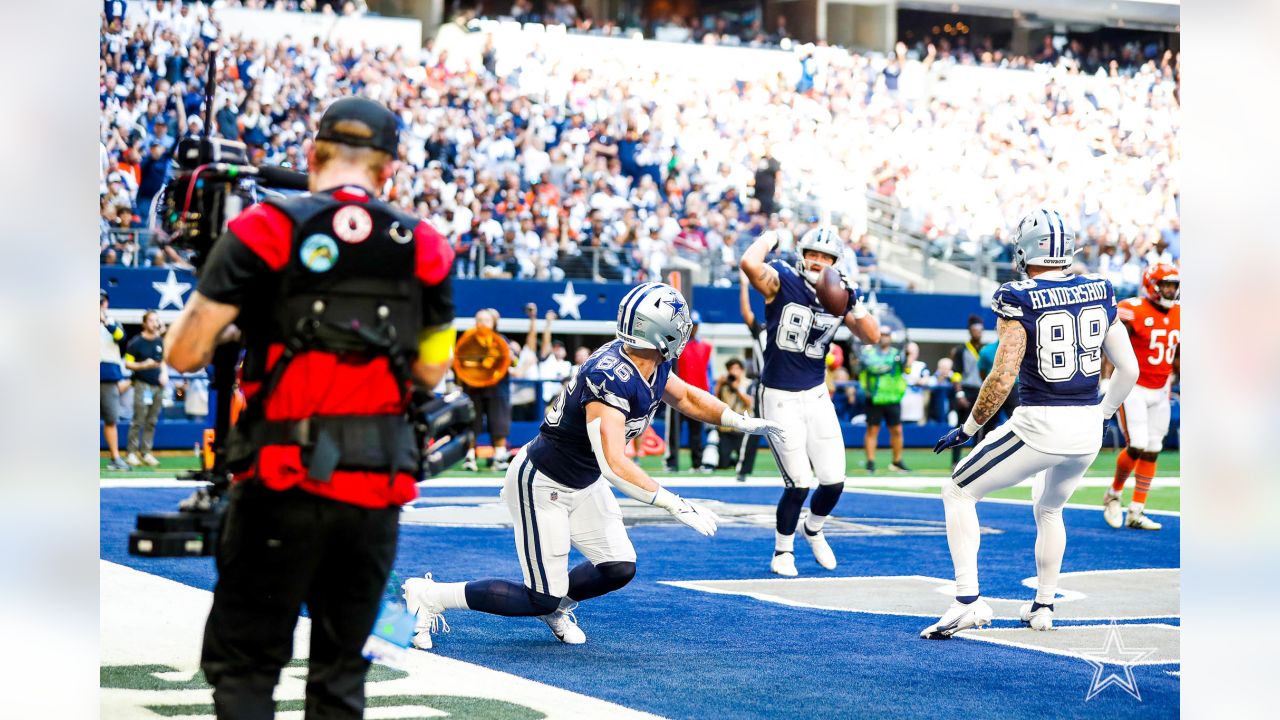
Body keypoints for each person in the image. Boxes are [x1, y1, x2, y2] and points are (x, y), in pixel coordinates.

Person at [164, 97, 456, 719]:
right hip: (376, 489)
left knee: (246, 671)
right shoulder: (426, 247)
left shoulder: (262, 228)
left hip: (276, 481)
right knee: (340, 679)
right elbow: (433, 368)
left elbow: (184, 353)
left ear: (312, 155)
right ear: (388, 169)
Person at [402, 282, 784, 647]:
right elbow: (614, 462)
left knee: (618, 566)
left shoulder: (650, 361)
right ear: (660, 333)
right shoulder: (610, 375)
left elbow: (685, 397)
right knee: (540, 596)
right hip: (543, 484)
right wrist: (673, 502)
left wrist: (738, 421)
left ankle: (559, 605)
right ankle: (430, 595)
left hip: (583, 481)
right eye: (679, 323)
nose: (684, 330)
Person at [922, 209, 1139, 639]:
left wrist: (968, 428)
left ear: (1025, 249)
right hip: (1087, 427)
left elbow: (1002, 376)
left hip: (1041, 424)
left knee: (958, 490)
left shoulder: (1018, 295)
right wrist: (1103, 412)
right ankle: (1043, 605)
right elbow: (1128, 370)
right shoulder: (1101, 289)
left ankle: (967, 601)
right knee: (1050, 508)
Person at [740, 226, 879, 577]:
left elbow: (872, 337)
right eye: (812, 254)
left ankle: (813, 529)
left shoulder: (840, 291)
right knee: (799, 481)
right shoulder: (782, 279)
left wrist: (855, 305)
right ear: (802, 255)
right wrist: (772, 235)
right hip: (779, 395)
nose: (817, 262)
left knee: (834, 480)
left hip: (816, 394)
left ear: (835, 262)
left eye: (825, 257)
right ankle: (782, 551)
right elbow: (748, 261)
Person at [1103, 263, 1180, 531]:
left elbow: (1177, 353)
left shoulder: (1181, 313)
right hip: (1133, 386)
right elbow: (1109, 343)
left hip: (1161, 389)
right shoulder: (1132, 309)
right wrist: (1105, 377)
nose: (1171, 290)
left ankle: (1137, 510)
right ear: (1152, 285)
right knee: (1136, 444)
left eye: (1174, 285)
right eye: (1166, 284)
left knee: (1153, 449)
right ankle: (1113, 493)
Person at [457, 308, 515, 471]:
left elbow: (514, 362)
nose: (482, 323)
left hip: (497, 389)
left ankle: (499, 458)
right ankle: (469, 457)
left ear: (494, 323)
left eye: (486, 320)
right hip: (473, 388)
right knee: (471, 424)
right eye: (479, 320)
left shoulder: (502, 341)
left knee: (499, 424)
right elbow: (460, 363)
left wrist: (511, 357)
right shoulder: (468, 341)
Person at [664, 310, 713, 472]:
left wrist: (708, 393)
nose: (694, 329)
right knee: (674, 432)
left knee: (696, 433)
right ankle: (672, 462)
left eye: (697, 326)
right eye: (692, 326)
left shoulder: (706, 346)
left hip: (697, 396)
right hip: (676, 395)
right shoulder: (676, 345)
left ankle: (697, 464)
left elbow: (708, 372)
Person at [858, 326, 909, 473]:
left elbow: (906, 366)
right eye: (882, 334)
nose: (884, 337)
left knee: (897, 430)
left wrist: (908, 354)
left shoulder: (897, 354)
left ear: (891, 337)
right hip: (874, 397)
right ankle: (870, 462)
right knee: (872, 430)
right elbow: (873, 368)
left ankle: (897, 461)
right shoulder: (869, 354)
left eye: (887, 334)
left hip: (893, 397)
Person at [735, 269, 769, 482]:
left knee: (793, 427)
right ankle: (743, 470)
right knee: (755, 426)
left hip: (787, 384)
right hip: (764, 383)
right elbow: (746, 313)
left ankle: (802, 469)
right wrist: (744, 286)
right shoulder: (762, 329)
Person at [124, 309, 166, 466]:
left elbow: (163, 360)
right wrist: (143, 365)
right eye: (151, 320)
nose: (155, 323)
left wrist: (164, 374)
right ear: (144, 323)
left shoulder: (160, 342)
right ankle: (131, 453)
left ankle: (146, 452)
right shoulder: (136, 343)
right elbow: (128, 364)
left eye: (156, 320)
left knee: (152, 421)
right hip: (142, 385)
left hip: (158, 386)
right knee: (138, 419)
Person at [948, 314, 986, 468]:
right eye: (975, 329)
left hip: (981, 391)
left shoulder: (986, 349)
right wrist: (959, 394)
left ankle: (974, 459)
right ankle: (955, 460)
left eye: (980, 329)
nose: (978, 332)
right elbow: (956, 373)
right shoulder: (961, 350)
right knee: (961, 426)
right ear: (970, 331)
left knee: (979, 427)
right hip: (966, 390)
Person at [100, 289, 130, 471]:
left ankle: (115, 457)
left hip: (107, 377)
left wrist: (105, 321)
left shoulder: (113, 323)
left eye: (102, 302)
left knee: (111, 418)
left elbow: (121, 337)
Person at [714, 358, 754, 469]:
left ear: (742, 370)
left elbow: (749, 403)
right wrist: (718, 384)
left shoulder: (748, 384)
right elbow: (715, 401)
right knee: (723, 464)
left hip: (741, 427)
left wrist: (737, 389)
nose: (733, 371)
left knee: (745, 464)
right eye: (731, 369)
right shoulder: (725, 384)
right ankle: (729, 461)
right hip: (726, 427)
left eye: (736, 368)